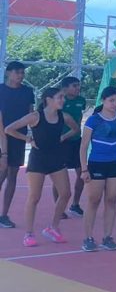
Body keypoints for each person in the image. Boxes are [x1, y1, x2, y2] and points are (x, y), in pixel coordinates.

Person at [4, 87, 78, 247]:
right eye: (60, 97)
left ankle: (53, 227)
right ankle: (29, 233)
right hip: (38, 160)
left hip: (56, 159)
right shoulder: (35, 116)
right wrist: (27, 139)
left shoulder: (64, 116)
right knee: (34, 197)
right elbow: (9, 129)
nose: (63, 100)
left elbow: (75, 129)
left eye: (63, 97)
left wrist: (63, 136)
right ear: (48, 99)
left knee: (65, 193)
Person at [80, 86, 116, 251]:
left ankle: (107, 237)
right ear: (103, 100)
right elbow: (83, 146)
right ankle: (88, 238)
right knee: (93, 200)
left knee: (111, 200)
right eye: (111, 100)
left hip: (115, 164)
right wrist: (84, 169)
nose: (115, 104)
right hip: (96, 163)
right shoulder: (93, 120)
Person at [0, 61, 35, 229]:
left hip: (18, 138)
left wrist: (32, 135)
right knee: (1, 173)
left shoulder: (28, 92)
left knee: (12, 175)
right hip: (1, 135)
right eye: (17, 72)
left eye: (22, 73)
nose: (20, 76)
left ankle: (4, 215)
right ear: (8, 73)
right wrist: (4, 152)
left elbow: (31, 114)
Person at [58, 76, 87, 216]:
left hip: (76, 141)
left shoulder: (81, 100)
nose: (77, 88)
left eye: (78, 85)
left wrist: (77, 131)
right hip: (61, 142)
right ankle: (59, 208)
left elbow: (80, 117)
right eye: (74, 86)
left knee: (82, 173)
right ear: (65, 88)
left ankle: (75, 204)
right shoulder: (59, 100)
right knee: (59, 175)